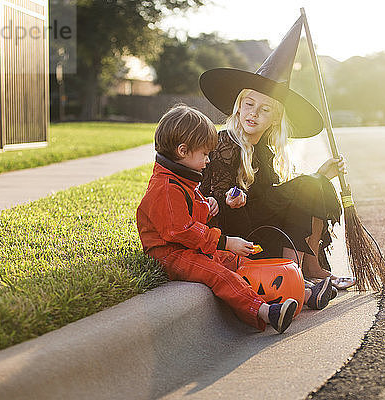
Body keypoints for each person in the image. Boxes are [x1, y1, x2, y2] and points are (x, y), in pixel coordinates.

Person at [136, 104, 335, 335]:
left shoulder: (183, 178)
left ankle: (303, 294)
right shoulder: (166, 188)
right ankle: (264, 312)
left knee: (241, 264)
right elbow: (181, 231)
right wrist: (226, 242)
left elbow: (190, 212)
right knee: (220, 275)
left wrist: (208, 205)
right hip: (171, 254)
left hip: (190, 249)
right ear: (182, 151)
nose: (208, 161)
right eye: (204, 154)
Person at [198, 16, 356, 290]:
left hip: (262, 225)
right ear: (238, 107)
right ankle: (301, 272)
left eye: (265, 109)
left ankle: (307, 268)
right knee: (307, 184)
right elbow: (217, 203)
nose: (254, 113)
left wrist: (320, 177)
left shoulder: (264, 150)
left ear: (275, 118)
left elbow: (277, 200)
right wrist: (236, 199)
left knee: (312, 184)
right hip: (234, 229)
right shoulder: (226, 143)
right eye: (249, 104)